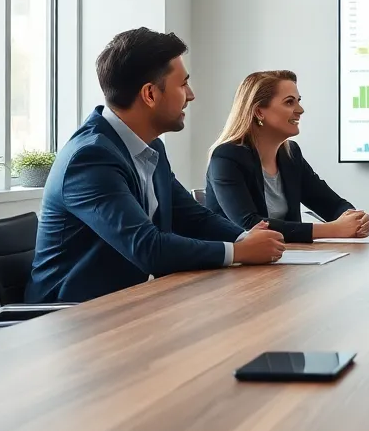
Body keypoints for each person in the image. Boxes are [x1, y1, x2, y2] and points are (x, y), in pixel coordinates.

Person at [28, 28, 286, 303]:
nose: (191, 94)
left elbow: (191, 216)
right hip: (69, 321)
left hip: (126, 306)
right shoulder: (90, 158)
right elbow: (147, 247)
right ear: (150, 94)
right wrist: (240, 251)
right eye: (182, 84)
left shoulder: (150, 146)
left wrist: (247, 237)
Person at [206, 70, 369, 243]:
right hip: (236, 264)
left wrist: (355, 220)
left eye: (298, 101)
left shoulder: (290, 154)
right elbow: (249, 224)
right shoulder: (227, 157)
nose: (300, 110)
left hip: (284, 259)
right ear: (259, 112)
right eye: (289, 102)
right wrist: (333, 229)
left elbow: (330, 204)